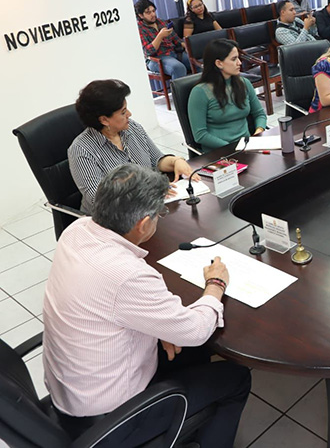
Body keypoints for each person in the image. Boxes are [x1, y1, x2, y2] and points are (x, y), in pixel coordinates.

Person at [43, 163, 251, 447]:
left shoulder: (76, 231)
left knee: (189, 352)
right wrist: (216, 284)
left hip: (73, 390)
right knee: (236, 378)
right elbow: (195, 331)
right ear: (143, 224)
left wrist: (160, 325)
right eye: (159, 214)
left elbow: (110, 303)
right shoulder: (127, 275)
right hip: (111, 415)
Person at [68, 79, 196, 213]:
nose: (129, 114)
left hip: (147, 208)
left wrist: (176, 161)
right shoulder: (81, 150)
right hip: (112, 217)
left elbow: (157, 160)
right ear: (104, 120)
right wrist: (147, 191)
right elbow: (99, 200)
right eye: (123, 112)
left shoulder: (132, 127)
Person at [188, 39, 267, 151]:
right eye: (234, 59)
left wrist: (258, 132)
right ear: (219, 63)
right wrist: (233, 148)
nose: (239, 63)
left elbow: (259, 114)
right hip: (219, 152)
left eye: (238, 58)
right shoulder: (200, 92)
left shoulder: (244, 83)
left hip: (246, 147)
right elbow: (200, 135)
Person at [135, 0, 190, 80]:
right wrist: (160, 36)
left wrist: (186, 46)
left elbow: (175, 38)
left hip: (173, 53)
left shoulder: (161, 22)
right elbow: (148, 51)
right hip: (156, 59)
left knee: (197, 61)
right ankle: (178, 89)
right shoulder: (140, 29)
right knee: (178, 68)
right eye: (148, 12)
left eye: (153, 11)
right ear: (141, 15)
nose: (153, 14)